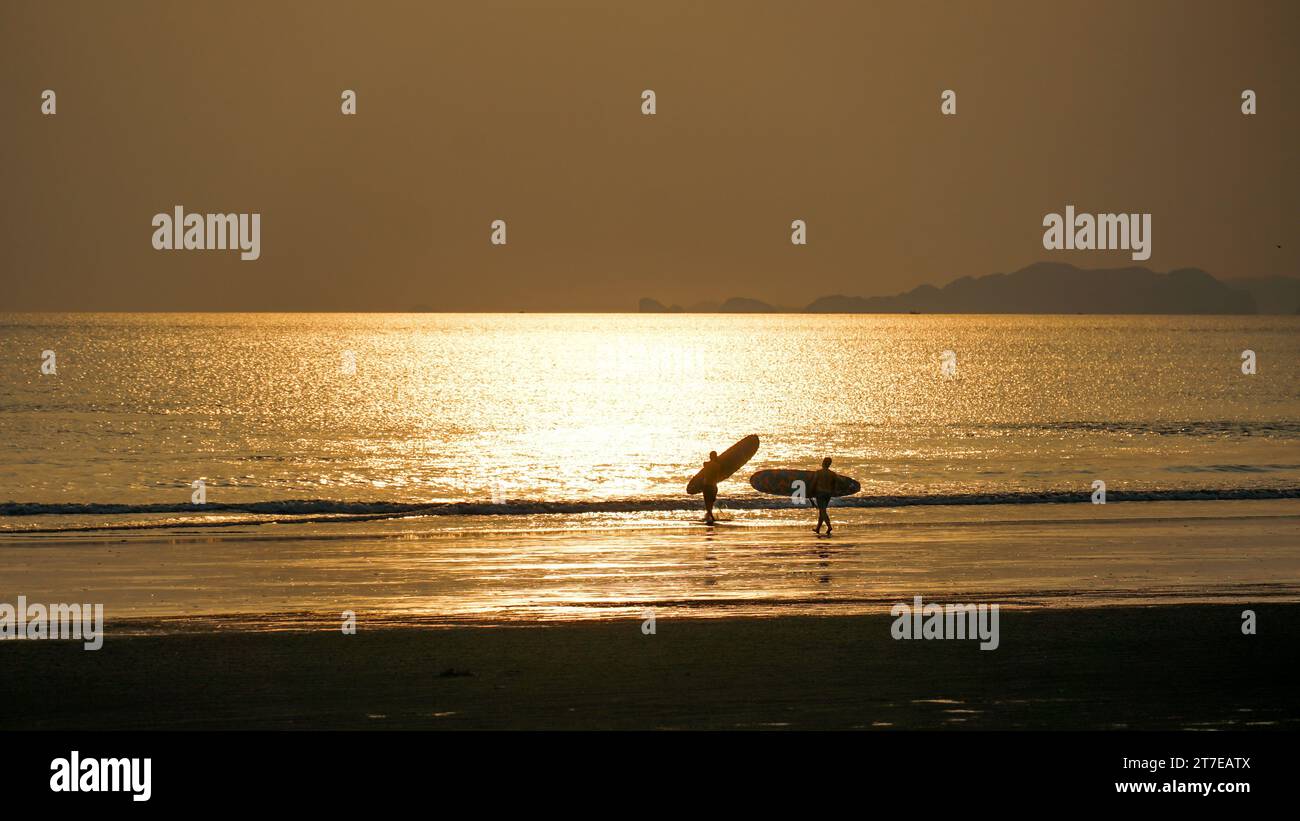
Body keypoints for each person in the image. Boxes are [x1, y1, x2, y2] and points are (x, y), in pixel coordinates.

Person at [811, 457, 837, 534]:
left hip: (820, 493)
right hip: (828, 494)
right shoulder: (833, 474)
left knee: (822, 511)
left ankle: (829, 526)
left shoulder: (818, 473)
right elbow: (834, 486)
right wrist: (832, 493)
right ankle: (818, 528)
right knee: (822, 511)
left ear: (823, 463)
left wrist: (810, 492)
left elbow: (813, 483)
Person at [701, 451, 720, 524]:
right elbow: (718, 476)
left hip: (706, 486)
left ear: (710, 456)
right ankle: (711, 516)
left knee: (707, 502)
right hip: (713, 486)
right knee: (711, 502)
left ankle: (709, 516)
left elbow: (704, 474)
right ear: (715, 457)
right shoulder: (717, 466)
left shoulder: (705, 464)